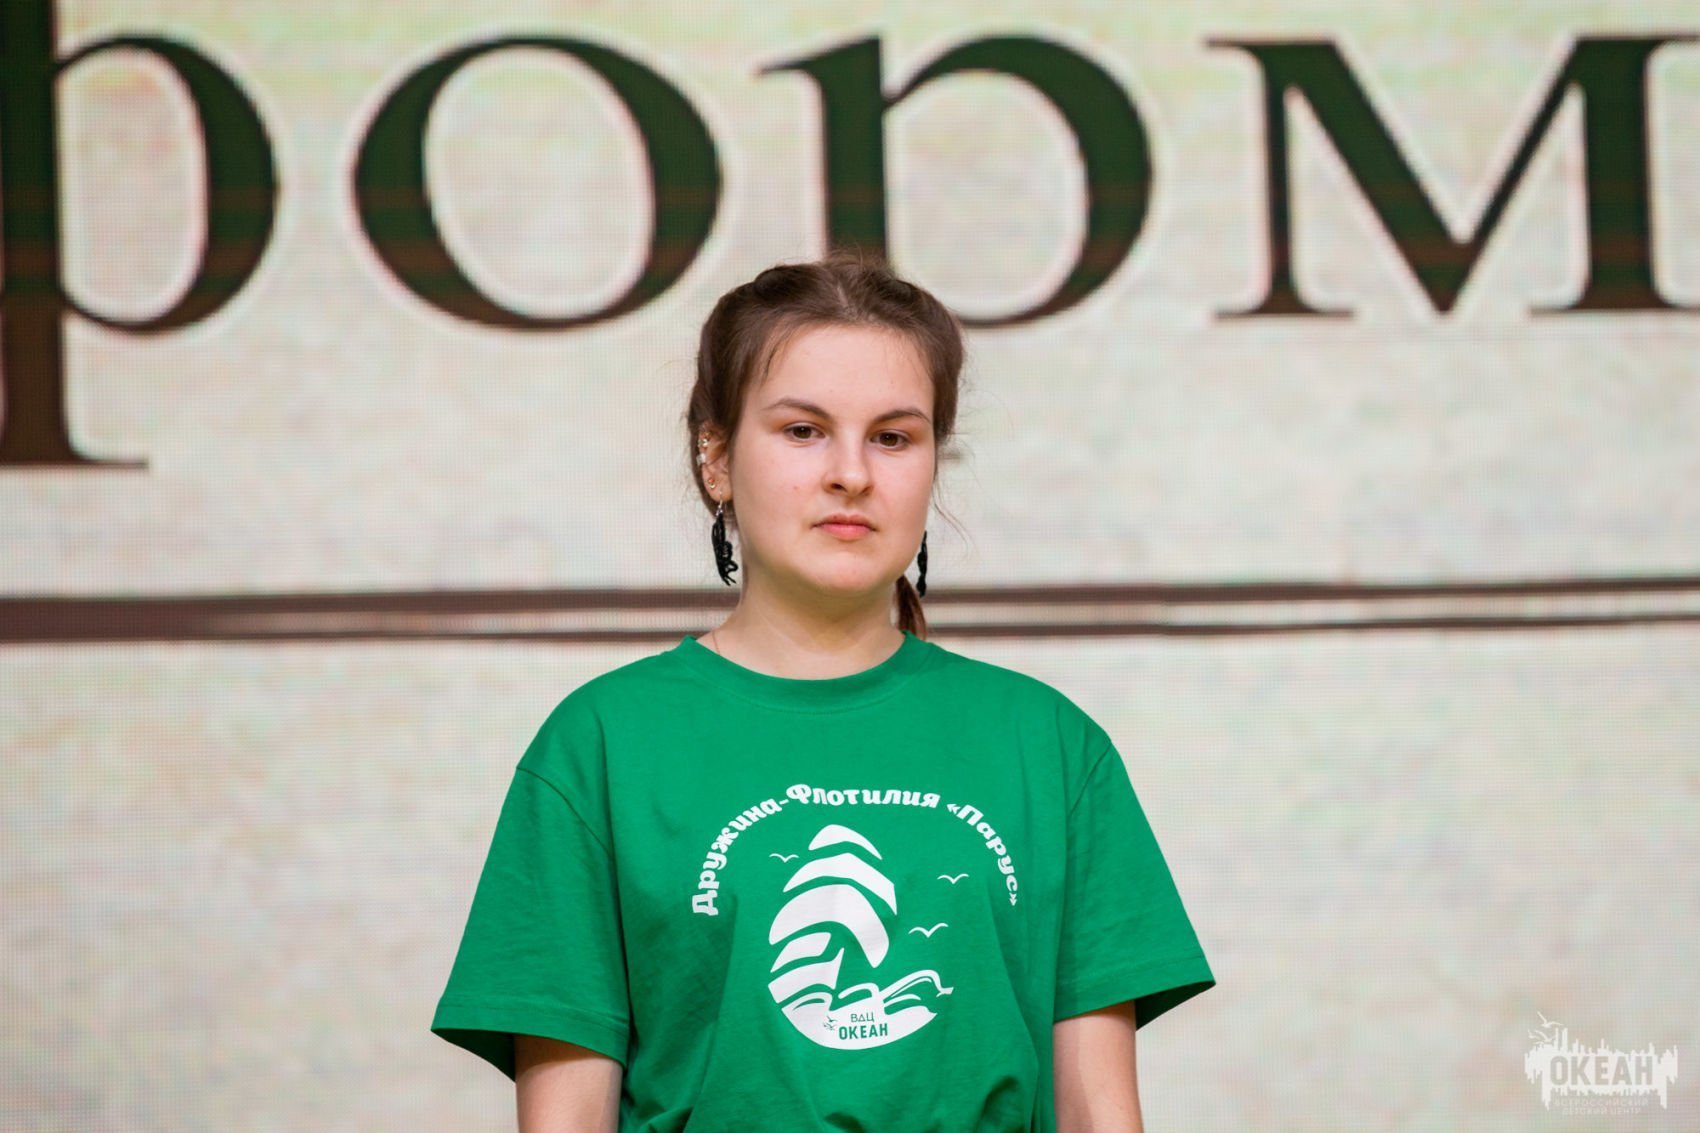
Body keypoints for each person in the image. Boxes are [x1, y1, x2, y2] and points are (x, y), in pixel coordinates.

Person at [430, 251, 1215, 1132]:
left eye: (893, 437)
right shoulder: (602, 743)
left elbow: (1099, 1110)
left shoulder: (1051, 745)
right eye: (803, 430)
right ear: (716, 457)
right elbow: (565, 1117)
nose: (852, 473)